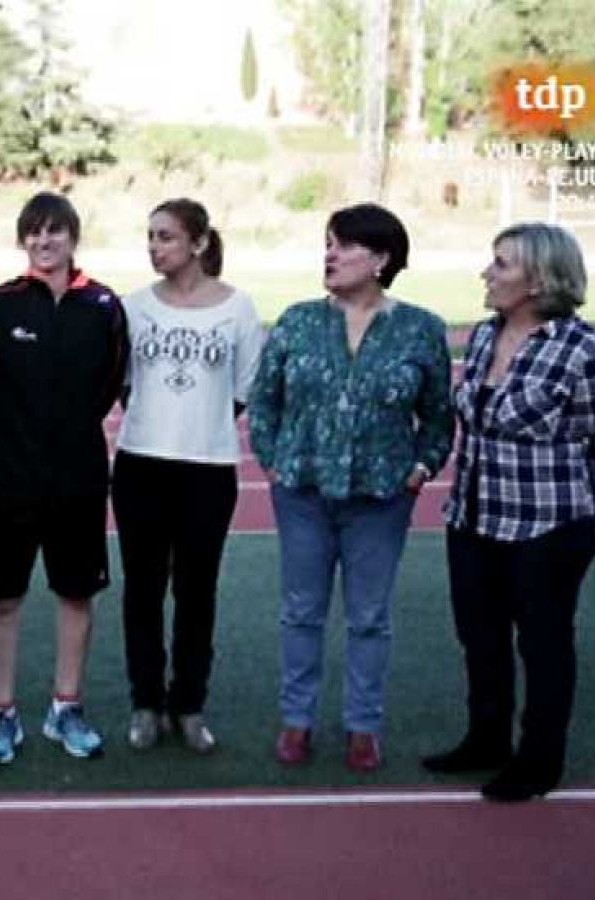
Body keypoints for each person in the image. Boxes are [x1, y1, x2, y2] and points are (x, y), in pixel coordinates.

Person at [426, 223, 595, 801]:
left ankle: (539, 761)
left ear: (540, 278)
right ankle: (486, 739)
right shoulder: (481, 337)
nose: (486, 273)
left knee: (543, 645)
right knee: (481, 637)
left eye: (500, 264)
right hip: (473, 521)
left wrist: (574, 512)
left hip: (549, 529)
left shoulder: (583, 350)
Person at [249, 202, 453, 772]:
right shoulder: (297, 320)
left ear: (382, 258)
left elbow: (438, 415)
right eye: (327, 243)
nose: (330, 254)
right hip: (303, 493)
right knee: (301, 611)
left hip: (381, 498)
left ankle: (363, 726)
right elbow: (264, 399)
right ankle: (298, 720)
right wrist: (273, 461)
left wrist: (419, 469)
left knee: (369, 616)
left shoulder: (421, 328)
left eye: (344, 245)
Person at [0, 191, 129, 765]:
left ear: (73, 237)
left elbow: (109, 383)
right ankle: (2, 715)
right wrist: (3, 449)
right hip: (8, 481)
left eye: (54, 231)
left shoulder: (104, 305)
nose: (43, 241)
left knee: (76, 593)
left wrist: (68, 442)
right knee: (4, 598)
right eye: (33, 232)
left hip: (78, 479)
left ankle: (66, 707)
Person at [114, 199, 264, 754]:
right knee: (143, 591)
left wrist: (196, 428)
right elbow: (124, 384)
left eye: (167, 237)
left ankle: (189, 704)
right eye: (150, 236)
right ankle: (146, 703)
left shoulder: (238, 309)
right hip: (140, 465)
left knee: (196, 591)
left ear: (199, 243)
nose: (155, 247)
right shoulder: (132, 307)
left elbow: (243, 390)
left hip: (208, 469)